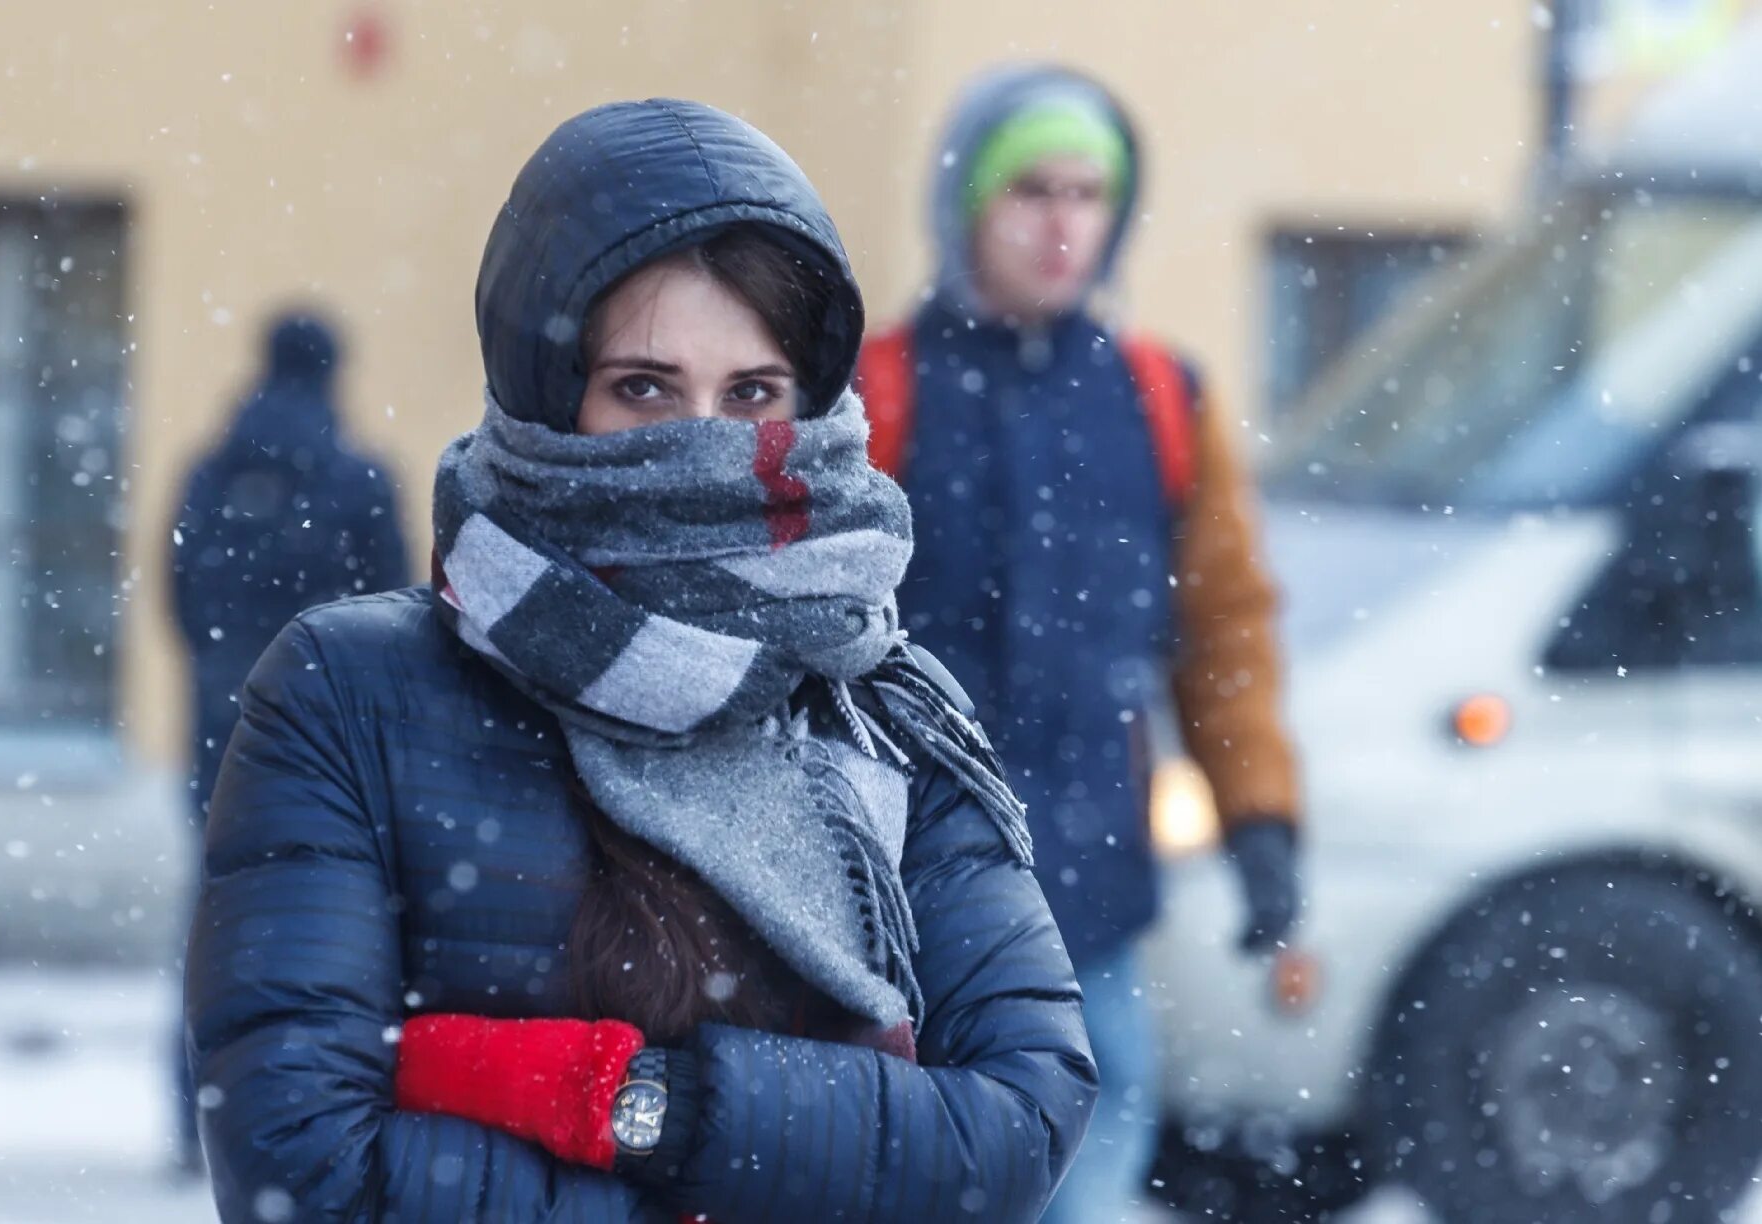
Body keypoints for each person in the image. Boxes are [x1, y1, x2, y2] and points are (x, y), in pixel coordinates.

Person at [186, 99, 1096, 1222]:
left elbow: (1014, 1122)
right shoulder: (352, 691)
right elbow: (304, 1165)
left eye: (753, 394)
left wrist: (626, 1104)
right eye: (644, 388)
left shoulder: (880, 701)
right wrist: (798, 1163)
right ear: (546, 395)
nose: (705, 444)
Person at [857, 65, 1303, 1222]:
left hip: (1090, 895)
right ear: (965, 206)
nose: (1063, 225)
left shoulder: (1156, 399)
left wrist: (1257, 817)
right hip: (911, 898)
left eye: (1088, 194)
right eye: (1031, 192)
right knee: (927, 1161)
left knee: (1092, 1147)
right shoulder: (877, 396)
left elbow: (1222, 631)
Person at [166, 310, 407, 1172]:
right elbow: (391, 619)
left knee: (216, 918)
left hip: (219, 729)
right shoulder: (358, 478)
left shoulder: (212, 470)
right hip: (331, 744)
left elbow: (180, 596)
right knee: (328, 932)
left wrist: (220, 685)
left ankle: (193, 1110)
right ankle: (300, 1117)